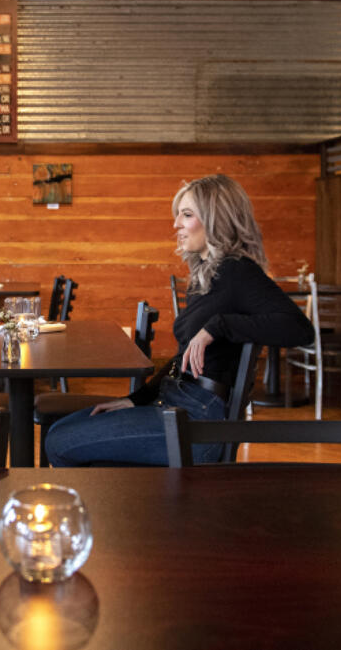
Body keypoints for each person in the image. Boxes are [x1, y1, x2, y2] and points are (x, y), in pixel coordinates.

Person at [44, 174, 313, 466]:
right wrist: (137, 398)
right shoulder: (209, 274)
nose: (176, 225)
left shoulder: (238, 271)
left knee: (59, 442)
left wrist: (217, 326)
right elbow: (182, 357)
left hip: (197, 422)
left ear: (215, 219)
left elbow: (299, 328)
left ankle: (130, 504)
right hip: (177, 403)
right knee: (59, 430)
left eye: (186, 215)